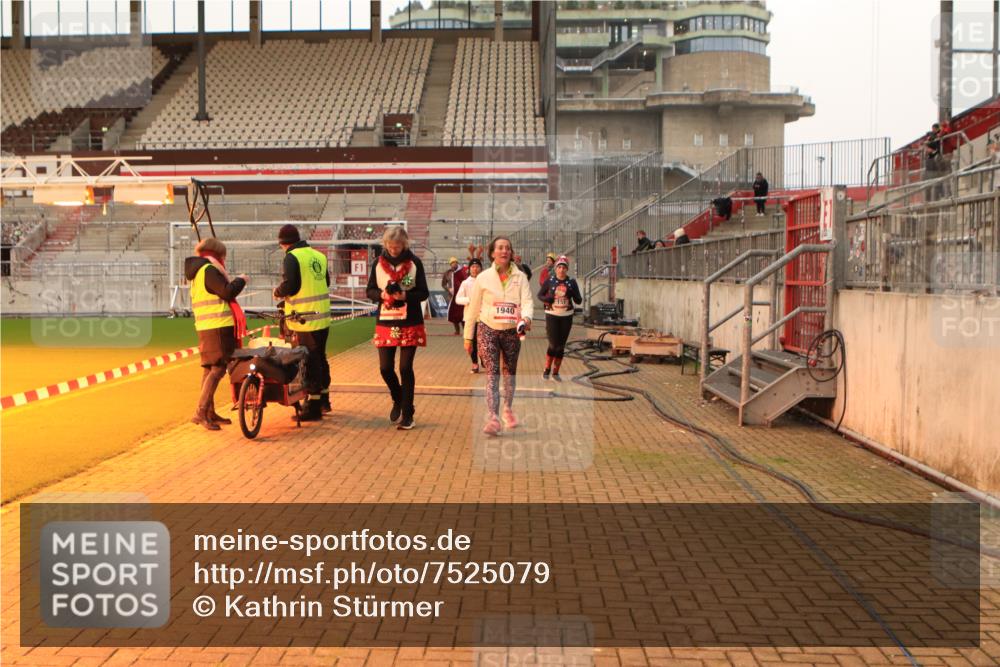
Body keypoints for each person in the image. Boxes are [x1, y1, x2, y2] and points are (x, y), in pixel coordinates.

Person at [463, 236, 534, 436]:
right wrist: (468, 337)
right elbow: (473, 308)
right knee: (492, 373)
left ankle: (507, 408)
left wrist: (526, 319)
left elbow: (527, 302)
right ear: (492, 253)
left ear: (511, 253)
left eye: (508, 248)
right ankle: (493, 417)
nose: (504, 251)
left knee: (509, 373)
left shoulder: (520, 277)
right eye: (500, 248)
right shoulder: (483, 278)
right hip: (487, 328)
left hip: (512, 330)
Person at [366, 226, 429, 430]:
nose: (394, 250)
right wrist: (382, 295)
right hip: (386, 321)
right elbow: (370, 290)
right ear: (385, 245)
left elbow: (423, 292)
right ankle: (398, 398)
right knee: (385, 368)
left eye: (398, 246)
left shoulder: (414, 264)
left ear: (405, 244)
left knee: (405, 367)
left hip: (409, 321)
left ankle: (408, 413)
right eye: (390, 247)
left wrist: (405, 296)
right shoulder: (377, 263)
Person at [185, 237, 247, 431]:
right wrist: (241, 280)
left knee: (209, 369)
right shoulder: (209, 270)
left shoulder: (198, 272)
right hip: (218, 325)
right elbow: (227, 292)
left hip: (206, 325)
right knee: (218, 369)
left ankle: (209, 412)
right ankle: (201, 412)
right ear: (217, 254)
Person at [274, 224, 331, 421]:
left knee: (310, 361)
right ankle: (324, 400)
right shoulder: (318, 255)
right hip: (322, 315)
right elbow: (325, 282)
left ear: (282, 243)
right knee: (321, 358)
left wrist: (278, 292)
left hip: (305, 319)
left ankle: (313, 407)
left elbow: (292, 285)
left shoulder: (292, 256)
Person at [537, 255, 582, 381]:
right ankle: (547, 368)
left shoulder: (571, 282)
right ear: (556, 268)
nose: (561, 270)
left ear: (567, 269)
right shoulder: (550, 281)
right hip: (552, 315)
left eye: (564, 267)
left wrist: (573, 294)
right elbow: (539, 295)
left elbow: (579, 300)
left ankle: (556, 372)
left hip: (566, 316)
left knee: (561, 346)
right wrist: (547, 299)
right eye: (559, 267)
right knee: (553, 344)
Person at [454, 257, 483, 373]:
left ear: (481, 268)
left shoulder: (484, 282)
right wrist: (469, 300)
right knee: (471, 342)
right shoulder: (465, 283)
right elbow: (458, 299)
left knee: (482, 342)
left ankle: (483, 359)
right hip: (470, 317)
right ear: (469, 269)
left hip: (483, 317)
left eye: (477, 267)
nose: (475, 269)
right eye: (473, 267)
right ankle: (474, 363)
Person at [441, 257, 466, 335]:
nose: (453, 264)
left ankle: (466, 331)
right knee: (453, 314)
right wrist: (449, 289)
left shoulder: (462, 271)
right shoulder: (447, 273)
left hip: (461, 297)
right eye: (452, 263)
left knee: (462, 314)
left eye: (455, 262)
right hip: (452, 297)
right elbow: (443, 284)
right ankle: (457, 331)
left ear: (457, 263)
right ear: (450, 264)